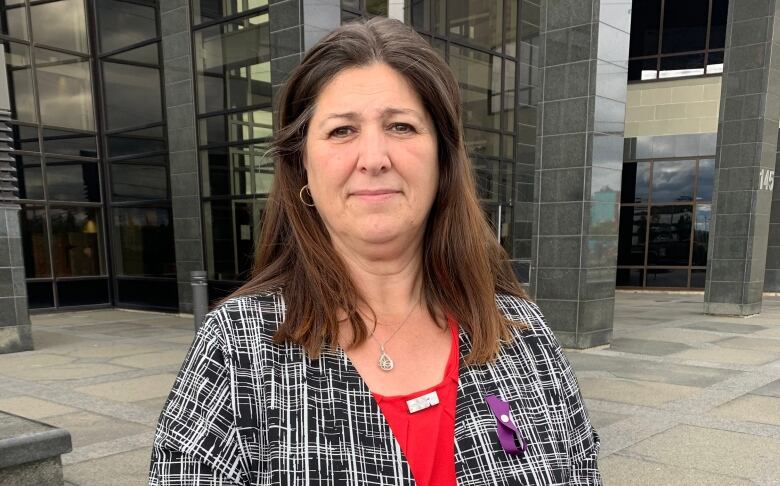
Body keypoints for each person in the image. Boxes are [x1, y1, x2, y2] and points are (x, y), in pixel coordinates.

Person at [148, 17, 601, 486]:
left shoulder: (523, 337)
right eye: (342, 131)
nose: (374, 158)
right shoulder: (237, 351)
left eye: (401, 126)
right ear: (302, 166)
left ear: (443, 158)